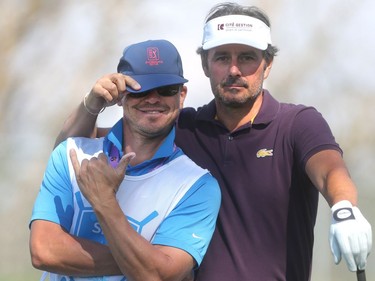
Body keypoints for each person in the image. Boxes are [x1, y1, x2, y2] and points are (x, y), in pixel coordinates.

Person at [53, 3, 372, 281]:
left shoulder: (296, 124)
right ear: (205, 64)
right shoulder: (181, 127)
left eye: (247, 58)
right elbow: (71, 148)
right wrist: (91, 104)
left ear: (268, 64)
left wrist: (344, 208)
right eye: (222, 58)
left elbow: (331, 170)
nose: (234, 70)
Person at [29, 39, 221, 281]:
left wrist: (104, 201)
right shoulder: (70, 154)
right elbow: (44, 251)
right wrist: (141, 262)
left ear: (181, 96)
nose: (153, 98)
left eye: (167, 90)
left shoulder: (198, 186)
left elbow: (159, 277)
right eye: (140, 89)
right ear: (120, 95)